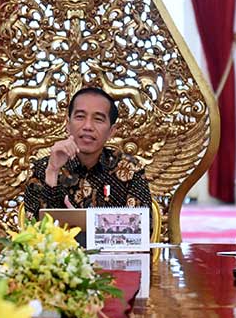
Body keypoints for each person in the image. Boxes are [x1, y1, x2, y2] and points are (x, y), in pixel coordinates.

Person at [23, 87, 152, 219]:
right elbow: (34, 228)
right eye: (80, 117)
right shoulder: (42, 168)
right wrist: (53, 172)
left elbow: (142, 228)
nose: (88, 126)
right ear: (67, 124)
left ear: (111, 131)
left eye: (98, 119)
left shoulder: (129, 169)